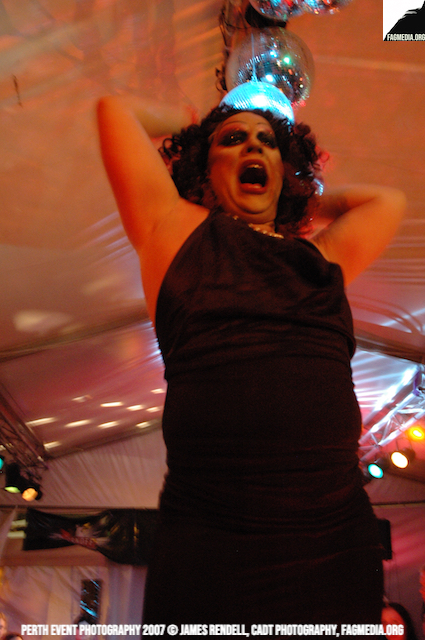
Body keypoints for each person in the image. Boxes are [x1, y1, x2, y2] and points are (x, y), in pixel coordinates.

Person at [97, 87, 406, 625]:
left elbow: (388, 202)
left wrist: (301, 200)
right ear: (203, 170)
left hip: (335, 538)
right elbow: (114, 111)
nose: (253, 147)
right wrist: (191, 121)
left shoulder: (319, 257)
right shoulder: (173, 228)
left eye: (267, 142)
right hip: (214, 543)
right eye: (233, 139)